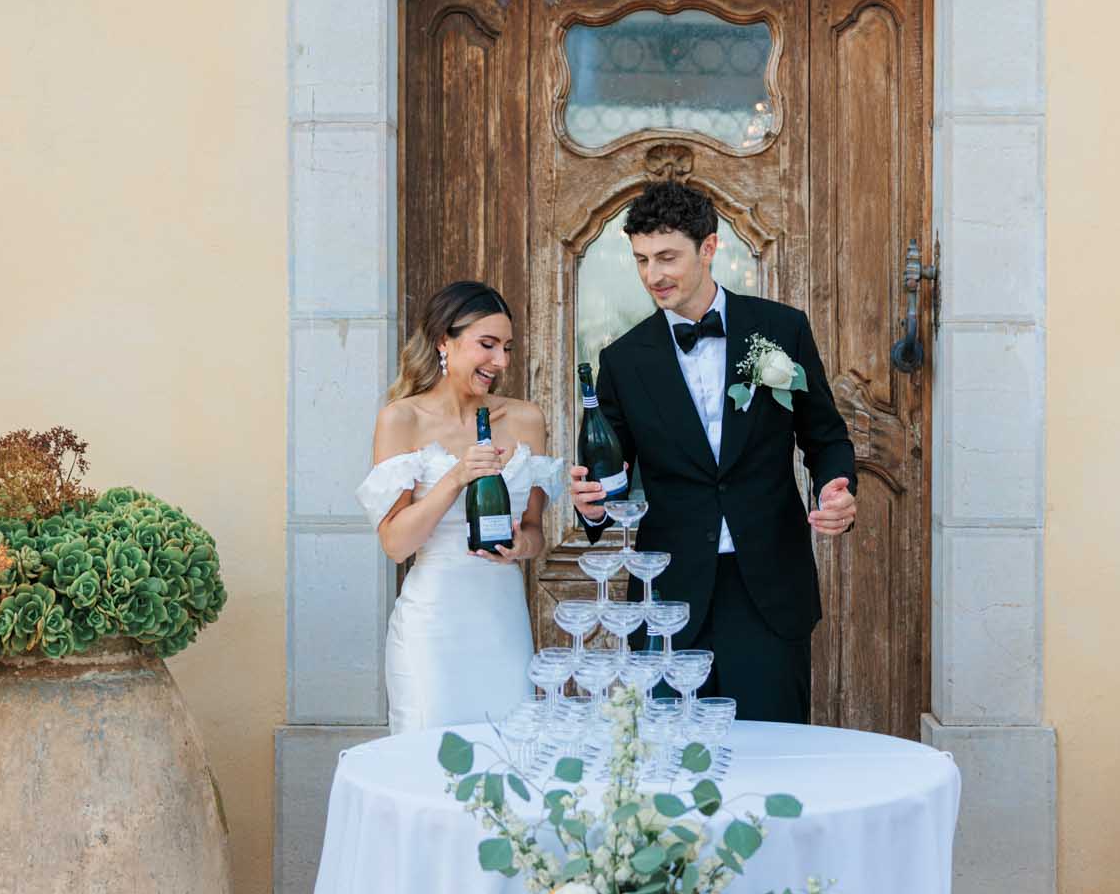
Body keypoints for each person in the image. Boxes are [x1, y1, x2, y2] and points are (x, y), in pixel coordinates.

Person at [570, 181, 857, 725]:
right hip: (669, 598)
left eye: (667, 257)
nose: (653, 275)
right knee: (673, 759)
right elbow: (609, 474)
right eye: (642, 260)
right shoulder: (623, 360)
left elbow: (826, 438)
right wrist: (591, 503)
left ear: (708, 248)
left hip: (769, 589)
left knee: (774, 752)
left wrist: (835, 488)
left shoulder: (782, 329)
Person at [355, 280, 564, 732]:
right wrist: (455, 478)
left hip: (503, 623)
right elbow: (396, 545)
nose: (501, 361)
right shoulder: (402, 419)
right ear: (443, 341)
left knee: (510, 752)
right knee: (429, 756)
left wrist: (520, 546)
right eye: (487, 345)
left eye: (507, 348)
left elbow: (535, 533)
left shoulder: (526, 419)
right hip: (433, 630)